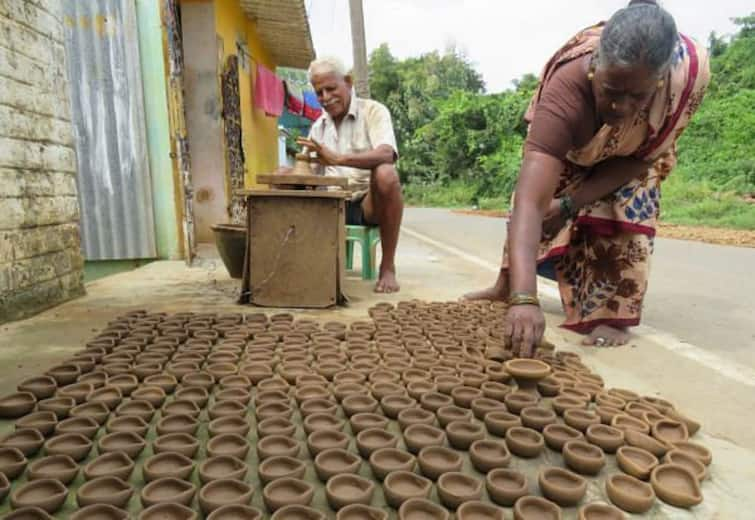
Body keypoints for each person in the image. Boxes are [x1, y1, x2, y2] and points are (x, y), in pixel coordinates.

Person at [464, 1, 709, 356]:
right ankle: (508, 283)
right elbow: (530, 202)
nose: (621, 108)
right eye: (611, 90)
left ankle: (610, 312)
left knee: (629, 201)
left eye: (637, 96)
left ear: (658, 81)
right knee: (535, 204)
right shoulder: (565, 90)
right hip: (571, 149)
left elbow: (643, 159)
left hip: (633, 156)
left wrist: (570, 204)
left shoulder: (683, 82)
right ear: (594, 66)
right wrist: (524, 297)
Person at [294, 57, 403, 293]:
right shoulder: (318, 127)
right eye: (319, 92)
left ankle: (387, 266)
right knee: (282, 178)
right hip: (330, 206)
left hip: (367, 204)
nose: (325, 97)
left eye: (331, 89)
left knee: (386, 174)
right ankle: (290, 262)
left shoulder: (373, 111)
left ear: (348, 82)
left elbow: (387, 153)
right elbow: (306, 172)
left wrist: (338, 159)